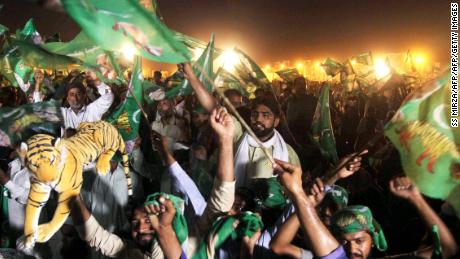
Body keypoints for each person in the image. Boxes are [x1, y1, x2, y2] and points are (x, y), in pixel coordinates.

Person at [182, 62, 300, 187]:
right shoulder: (238, 137)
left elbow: (295, 189)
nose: (258, 119)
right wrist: (191, 77)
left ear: (276, 121)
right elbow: (213, 107)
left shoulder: (287, 153)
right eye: (255, 114)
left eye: (266, 116)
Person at [70, 194, 185, 259]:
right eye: (135, 223)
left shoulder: (182, 248)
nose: (140, 228)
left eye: (148, 221)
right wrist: (73, 196)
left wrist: (162, 230)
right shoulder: (129, 251)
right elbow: (94, 235)